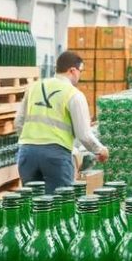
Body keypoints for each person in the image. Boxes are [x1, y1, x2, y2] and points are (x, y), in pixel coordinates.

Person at [14, 50, 109, 194]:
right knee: (59, 205)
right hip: (55, 156)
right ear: (72, 70)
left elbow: (19, 122)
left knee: (33, 205)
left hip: (26, 154)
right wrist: (100, 150)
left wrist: (31, 141)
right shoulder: (73, 94)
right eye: (80, 71)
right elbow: (83, 134)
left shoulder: (34, 87)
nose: (80, 76)